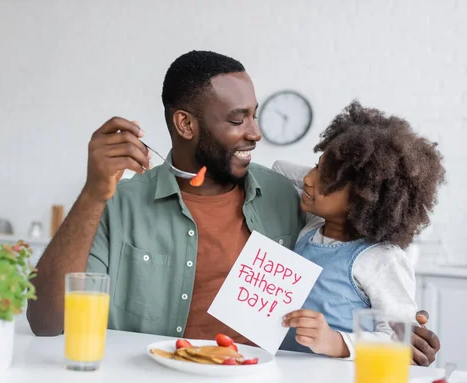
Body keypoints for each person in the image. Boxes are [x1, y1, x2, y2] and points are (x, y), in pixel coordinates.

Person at [26, 50, 441, 365]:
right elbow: (46, 324)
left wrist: (399, 329)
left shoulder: (287, 197)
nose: (256, 133)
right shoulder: (118, 204)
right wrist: (93, 193)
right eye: (237, 119)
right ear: (186, 125)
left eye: (255, 116)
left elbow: (367, 216)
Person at [271, 101, 446, 361]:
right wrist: (329, 168)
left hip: (336, 382)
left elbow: (401, 341)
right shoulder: (312, 226)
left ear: (364, 198)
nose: (308, 179)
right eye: (317, 167)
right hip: (283, 367)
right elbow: (278, 169)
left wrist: (337, 342)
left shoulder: (381, 259)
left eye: (327, 178)